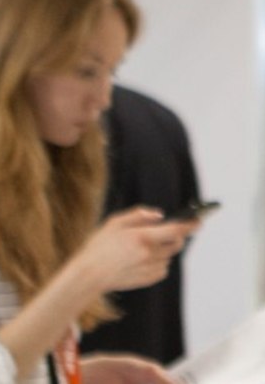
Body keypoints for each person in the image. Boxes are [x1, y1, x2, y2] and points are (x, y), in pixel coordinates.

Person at [0, 0, 199, 384]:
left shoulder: (32, 169)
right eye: (86, 71)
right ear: (16, 61)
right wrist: (87, 274)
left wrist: (72, 376)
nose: (104, 99)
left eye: (111, 72)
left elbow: (4, 357)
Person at [79, 84, 205, 364]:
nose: (101, 98)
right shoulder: (159, 117)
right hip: (150, 341)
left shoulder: (70, 126)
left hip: (81, 346)